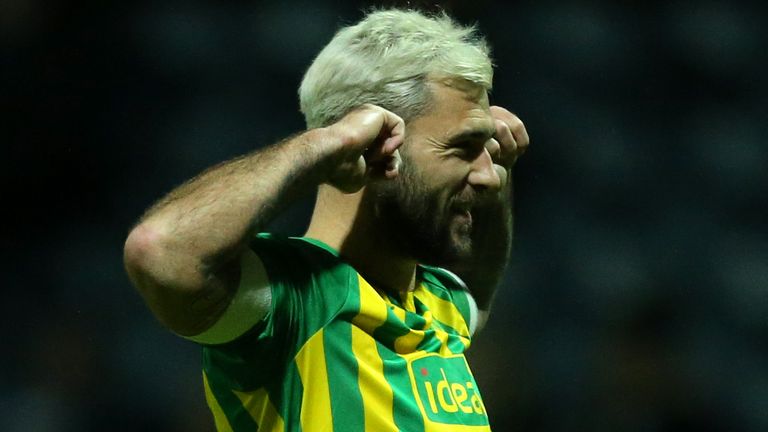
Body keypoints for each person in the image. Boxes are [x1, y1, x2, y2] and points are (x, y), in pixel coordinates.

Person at [123, 8, 529, 431]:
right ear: (378, 145)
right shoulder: (293, 301)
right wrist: (329, 142)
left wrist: (501, 162)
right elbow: (158, 250)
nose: (490, 178)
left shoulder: (437, 304)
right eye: (464, 147)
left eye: (490, 153)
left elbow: (477, 286)